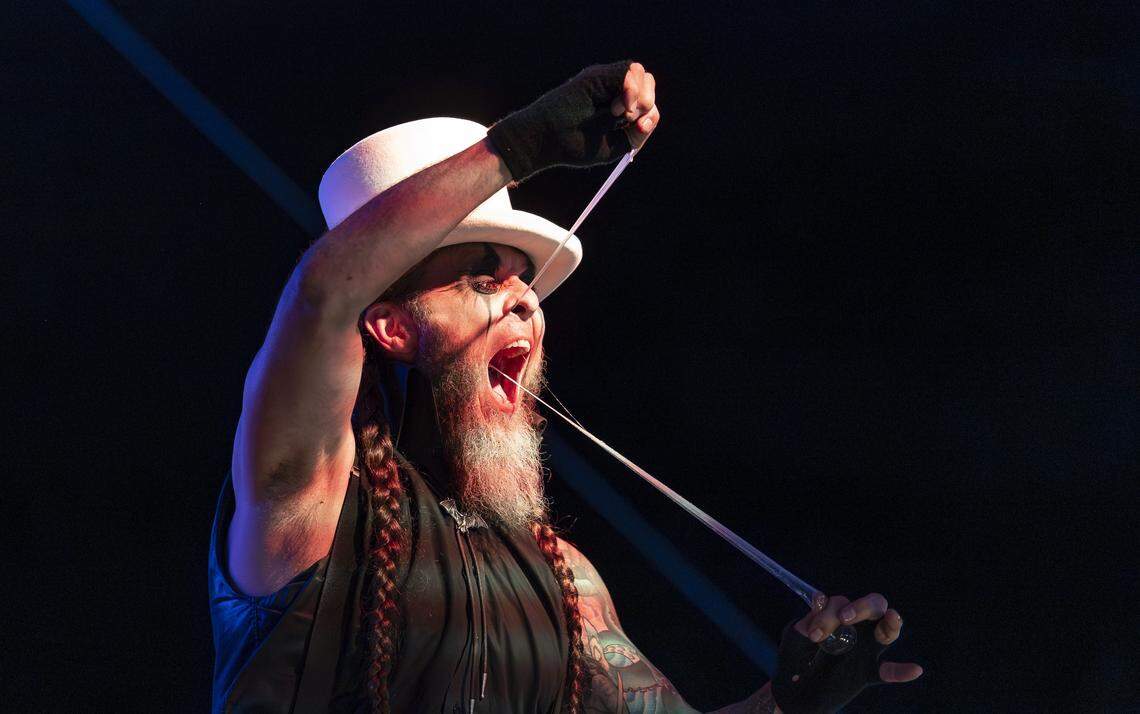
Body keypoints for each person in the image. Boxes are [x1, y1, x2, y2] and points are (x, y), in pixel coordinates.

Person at [208, 60, 923, 713]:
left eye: (523, 281)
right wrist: (518, 147)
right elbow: (323, 296)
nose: (526, 300)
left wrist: (789, 704)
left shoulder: (567, 581)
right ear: (391, 326)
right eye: (482, 280)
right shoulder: (307, 497)